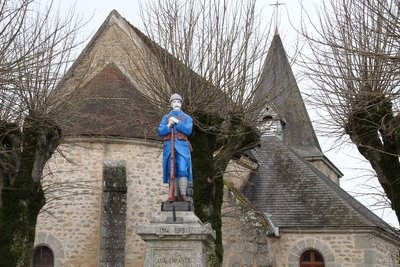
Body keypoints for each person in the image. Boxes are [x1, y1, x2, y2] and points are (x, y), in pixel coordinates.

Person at [158, 93, 193, 202]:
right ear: (171, 104)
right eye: (174, 102)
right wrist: (168, 125)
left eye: (178, 102)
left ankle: (183, 194)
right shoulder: (166, 117)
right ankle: (174, 195)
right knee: (171, 171)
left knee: (183, 169)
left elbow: (188, 130)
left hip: (182, 147)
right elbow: (160, 131)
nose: (176, 104)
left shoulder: (186, 117)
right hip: (169, 147)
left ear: (181, 104)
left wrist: (177, 122)